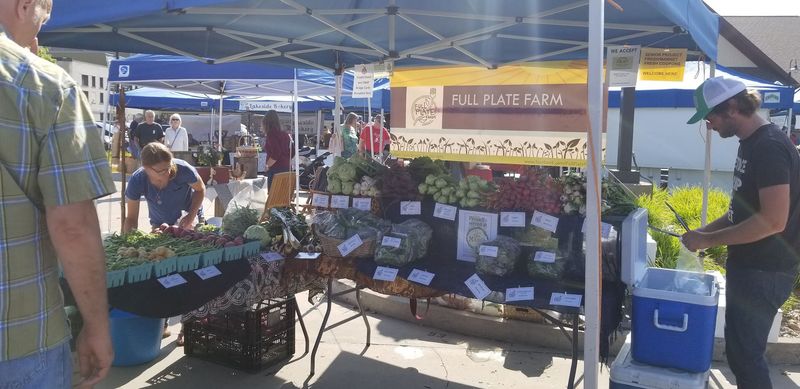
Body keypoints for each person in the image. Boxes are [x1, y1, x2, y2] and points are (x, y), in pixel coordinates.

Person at [0, 1, 116, 388]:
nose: (37, 38)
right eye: (40, 24)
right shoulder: (44, 85)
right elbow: (72, 225)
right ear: (25, 5)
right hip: (18, 340)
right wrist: (96, 327)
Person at [682, 77, 800, 389]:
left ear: (732, 108)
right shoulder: (751, 143)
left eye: (711, 117)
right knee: (740, 352)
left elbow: (773, 220)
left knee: (747, 357)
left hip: (766, 270)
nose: (708, 125)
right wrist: (703, 231)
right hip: (751, 267)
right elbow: (740, 212)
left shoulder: (770, 147)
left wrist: (707, 240)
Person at [123, 143, 205, 233]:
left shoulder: (184, 169)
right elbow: (131, 218)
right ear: (146, 168)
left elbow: (200, 190)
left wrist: (191, 215)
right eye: (161, 171)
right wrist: (128, 240)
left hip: (190, 221)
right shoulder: (137, 180)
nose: (168, 173)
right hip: (160, 226)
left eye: (169, 167)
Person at [261, 110, 292, 189]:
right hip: (286, 168)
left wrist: (267, 165)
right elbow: (292, 150)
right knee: (282, 195)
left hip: (276, 170)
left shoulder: (271, 134)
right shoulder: (285, 134)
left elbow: (276, 153)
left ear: (266, 123)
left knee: (273, 195)